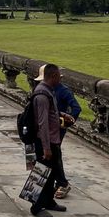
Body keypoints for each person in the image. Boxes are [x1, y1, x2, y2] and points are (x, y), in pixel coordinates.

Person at [33, 65, 81, 199]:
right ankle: (46, 192)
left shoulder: (61, 91)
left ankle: (58, 185)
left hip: (54, 131)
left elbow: (76, 108)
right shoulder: (43, 92)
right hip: (45, 132)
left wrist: (66, 122)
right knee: (48, 161)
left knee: (52, 159)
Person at [30, 64, 69, 217]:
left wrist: (62, 114)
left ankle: (49, 201)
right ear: (53, 76)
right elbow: (42, 123)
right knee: (43, 174)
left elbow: (51, 113)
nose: (60, 79)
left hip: (53, 139)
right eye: (59, 76)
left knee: (52, 174)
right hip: (45, 141)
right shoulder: (41, 94)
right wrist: (46, 147)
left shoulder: (48, 91)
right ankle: (36, 206)